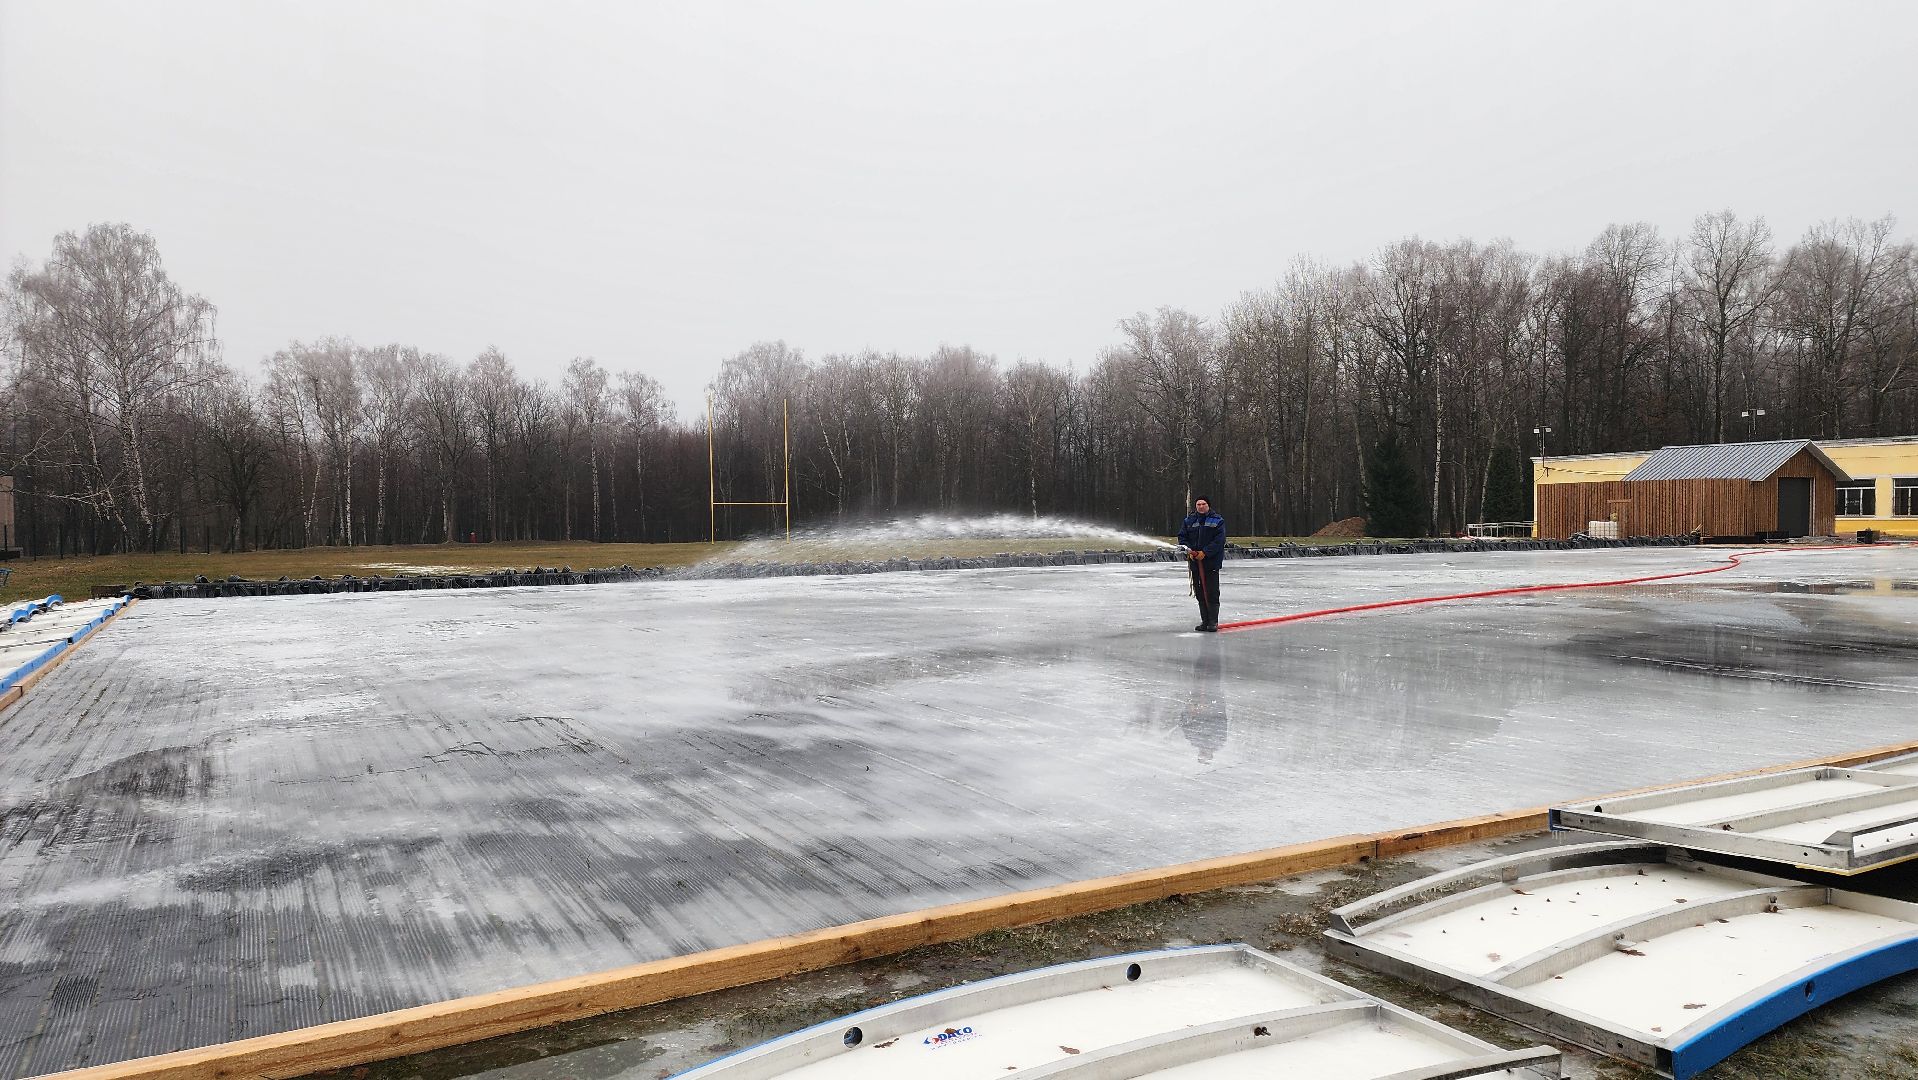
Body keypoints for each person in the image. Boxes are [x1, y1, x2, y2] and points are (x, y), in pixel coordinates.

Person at [1177, 497, 1225, 631]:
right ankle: (1205, 621)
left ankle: (1213, 622)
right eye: (1198, 504)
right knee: (1200, 592)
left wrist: (1205, 552)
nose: (1201, 506)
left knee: (1212, 591)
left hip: (1211, 563)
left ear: (1208, 505)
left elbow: (1219, 540)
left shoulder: (1217, 521)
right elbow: (1182, 537)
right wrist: (1190, 550)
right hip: (1195, 563)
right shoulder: (1189, 521)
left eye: (1204, 504)